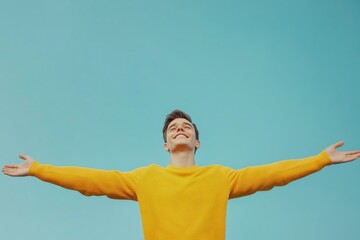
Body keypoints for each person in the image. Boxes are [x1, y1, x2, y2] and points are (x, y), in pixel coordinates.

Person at [2, 110, 360, 240]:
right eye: (173, 128)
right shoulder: (145, 179)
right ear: (165, 145)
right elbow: (93, 181)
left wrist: (320, 159)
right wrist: (40, 170)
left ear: (198, 142)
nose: (179, 129)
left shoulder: (221, 178)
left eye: (186, 126)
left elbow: (270, 175)